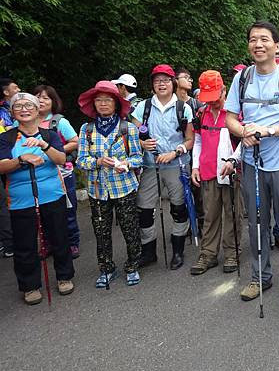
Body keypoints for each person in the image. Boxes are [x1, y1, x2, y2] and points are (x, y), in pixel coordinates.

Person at [224, 20, 279, 309]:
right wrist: (243, 132)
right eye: (252, 40)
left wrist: (268, 131)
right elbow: (230, 119)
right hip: (252, 164)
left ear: (277, 46)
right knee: (256, 224)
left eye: (263, 39)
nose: (257, 44)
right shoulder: (242, 78)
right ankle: (260, 277)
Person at [0, 93, 74, 305]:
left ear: (37, 109)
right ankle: (29, 285)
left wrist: (44, 147)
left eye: (28, 105)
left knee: (59, 236)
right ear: (12, 112)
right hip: (20, 198)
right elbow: (1, 165)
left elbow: (61, 159)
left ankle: (64, 275)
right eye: (18, 106)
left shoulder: (49, 134)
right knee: (24, 243)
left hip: (52, 193)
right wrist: (21, 159)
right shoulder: (6, 138)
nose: (24, 109)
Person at [76, 81, 143, 287]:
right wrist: (97, 162)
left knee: (130, 228)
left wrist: (124, 164)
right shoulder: (86, 130)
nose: (103, 104)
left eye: (107, 100)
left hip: (124, 187)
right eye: (99, 100)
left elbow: (138, 158)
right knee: (101, 231)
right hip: (97, 190)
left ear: (116, 103)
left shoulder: (127, 128)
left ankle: (133, 265)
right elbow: (80, 160)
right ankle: (106, 268)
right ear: (93, 104)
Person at [132, 64, 194, 270]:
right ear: (152, 85)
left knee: (178, 208)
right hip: (151, 165)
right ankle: (149, 251)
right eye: (157, 80)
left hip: (177, 165)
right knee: (144, 209)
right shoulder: (143, 107)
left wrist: (175, 152)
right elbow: (132, 134)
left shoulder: (183, 108)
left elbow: (190, 140)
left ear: (173, 83)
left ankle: (177, 250)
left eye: (166, 80)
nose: (162, 84)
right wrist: (141, 143)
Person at [190, 70, 241, 275]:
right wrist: (195, 166)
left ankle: (232, 253)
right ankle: (208, 254)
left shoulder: (235, 112)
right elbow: (198, 140)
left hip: (231, 170)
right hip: (208, 170)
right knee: (209, 214)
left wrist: (233, 161)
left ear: (224, 90)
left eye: (216, 97)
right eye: (208, 98)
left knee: (232, 212)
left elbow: (244, 140)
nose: (213, 103)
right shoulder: (201, 113)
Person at [32, 85, 81, 259]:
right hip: (35, 174)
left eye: (46, 97)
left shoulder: (59, 122)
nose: (41, 100)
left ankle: (72, 242)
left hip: (62, 173)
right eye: (37, 96)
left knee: (67, 210)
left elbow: (75, 141)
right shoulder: (23, 123)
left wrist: (54, 151)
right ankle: (48, 244)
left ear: (53, 101)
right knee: (42, 212)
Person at [175, 67, 205, 240]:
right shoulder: (170, 104)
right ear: (175, 80)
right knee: (180, 193)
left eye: (190, 78)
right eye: (185, 77)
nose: (190, 80)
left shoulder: (196, 104)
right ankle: (185, 224)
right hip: (176, 153)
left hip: (195, 152)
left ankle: (200, 224)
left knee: (197, 191)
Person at [0, 78, 19, 258]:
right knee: (5, 201)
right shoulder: (3, 113)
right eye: (15, 87)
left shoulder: (10, 111)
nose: (19, 89)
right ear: (6, 92)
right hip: (8, 160)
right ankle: (9, 243)